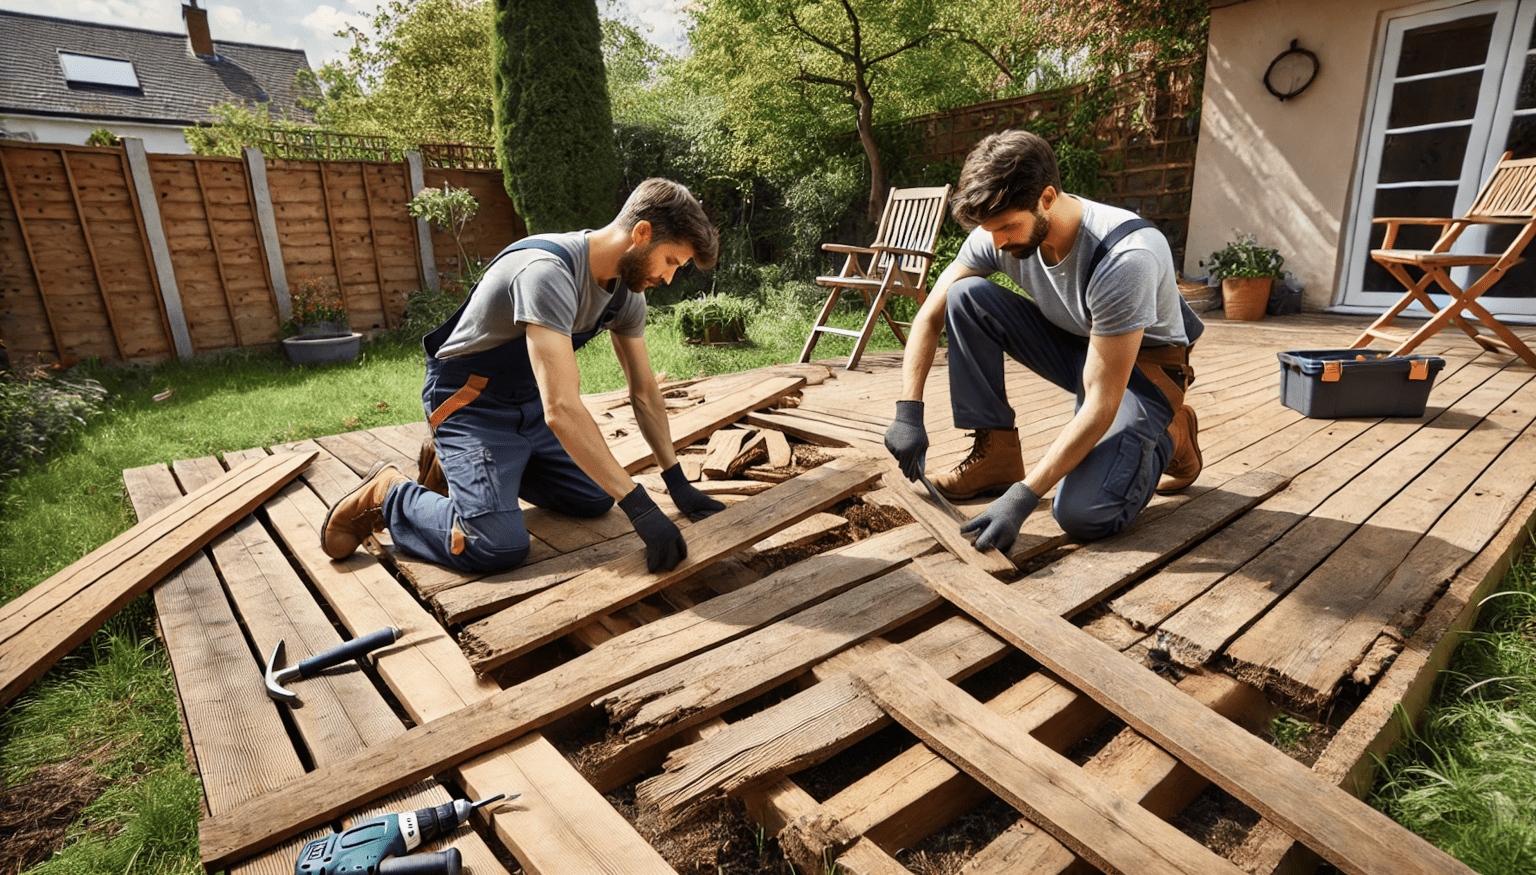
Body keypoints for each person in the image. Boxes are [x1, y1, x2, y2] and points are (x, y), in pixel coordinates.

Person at [321, 178, 725, 574]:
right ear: (642, 233)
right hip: (471, 402)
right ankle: (389, 494)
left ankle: (471, 472)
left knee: (596, 497)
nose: (669, 278)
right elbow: (562, 409)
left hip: (526, 406)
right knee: (495, 545)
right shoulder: (547, 272)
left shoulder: (627, 293)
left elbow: (645, 393)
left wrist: (676, 481)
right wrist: (641, 508)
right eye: (671, 261)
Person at [883, 130, 1204, 555]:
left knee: (1084, 515)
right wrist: (909, 411)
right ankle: (995, 456)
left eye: (1007, 228)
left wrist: (1025, 495)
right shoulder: (1000, 229)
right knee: (966, 296)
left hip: (1142, 373)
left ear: (1047, 197)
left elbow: (1101, 403)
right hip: (1082, 343)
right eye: (989, 230)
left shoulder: (1126, 257)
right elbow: (929, 317)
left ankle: (1172, 433)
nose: (996, 242)